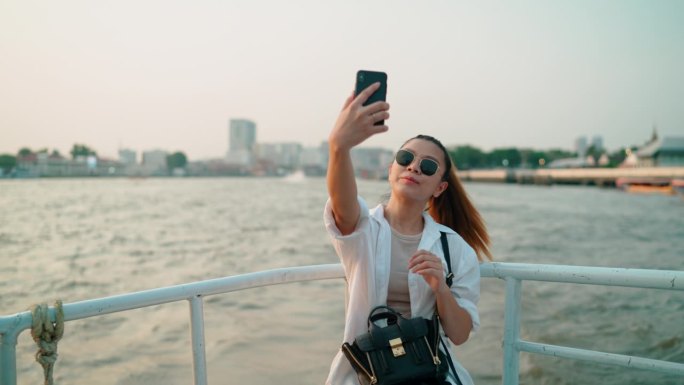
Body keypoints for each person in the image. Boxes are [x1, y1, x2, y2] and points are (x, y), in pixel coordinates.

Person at [324, 82, 492, 385]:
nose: (414, 167)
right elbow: (343, 205)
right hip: (368, 371)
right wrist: (339, 146)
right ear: (391, 170)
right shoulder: (364, 228)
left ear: (440, 188)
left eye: (428, 166)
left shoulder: (454, 248)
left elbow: (460, 334)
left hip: (428, 371)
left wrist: (441, 288)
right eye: (405, 158)